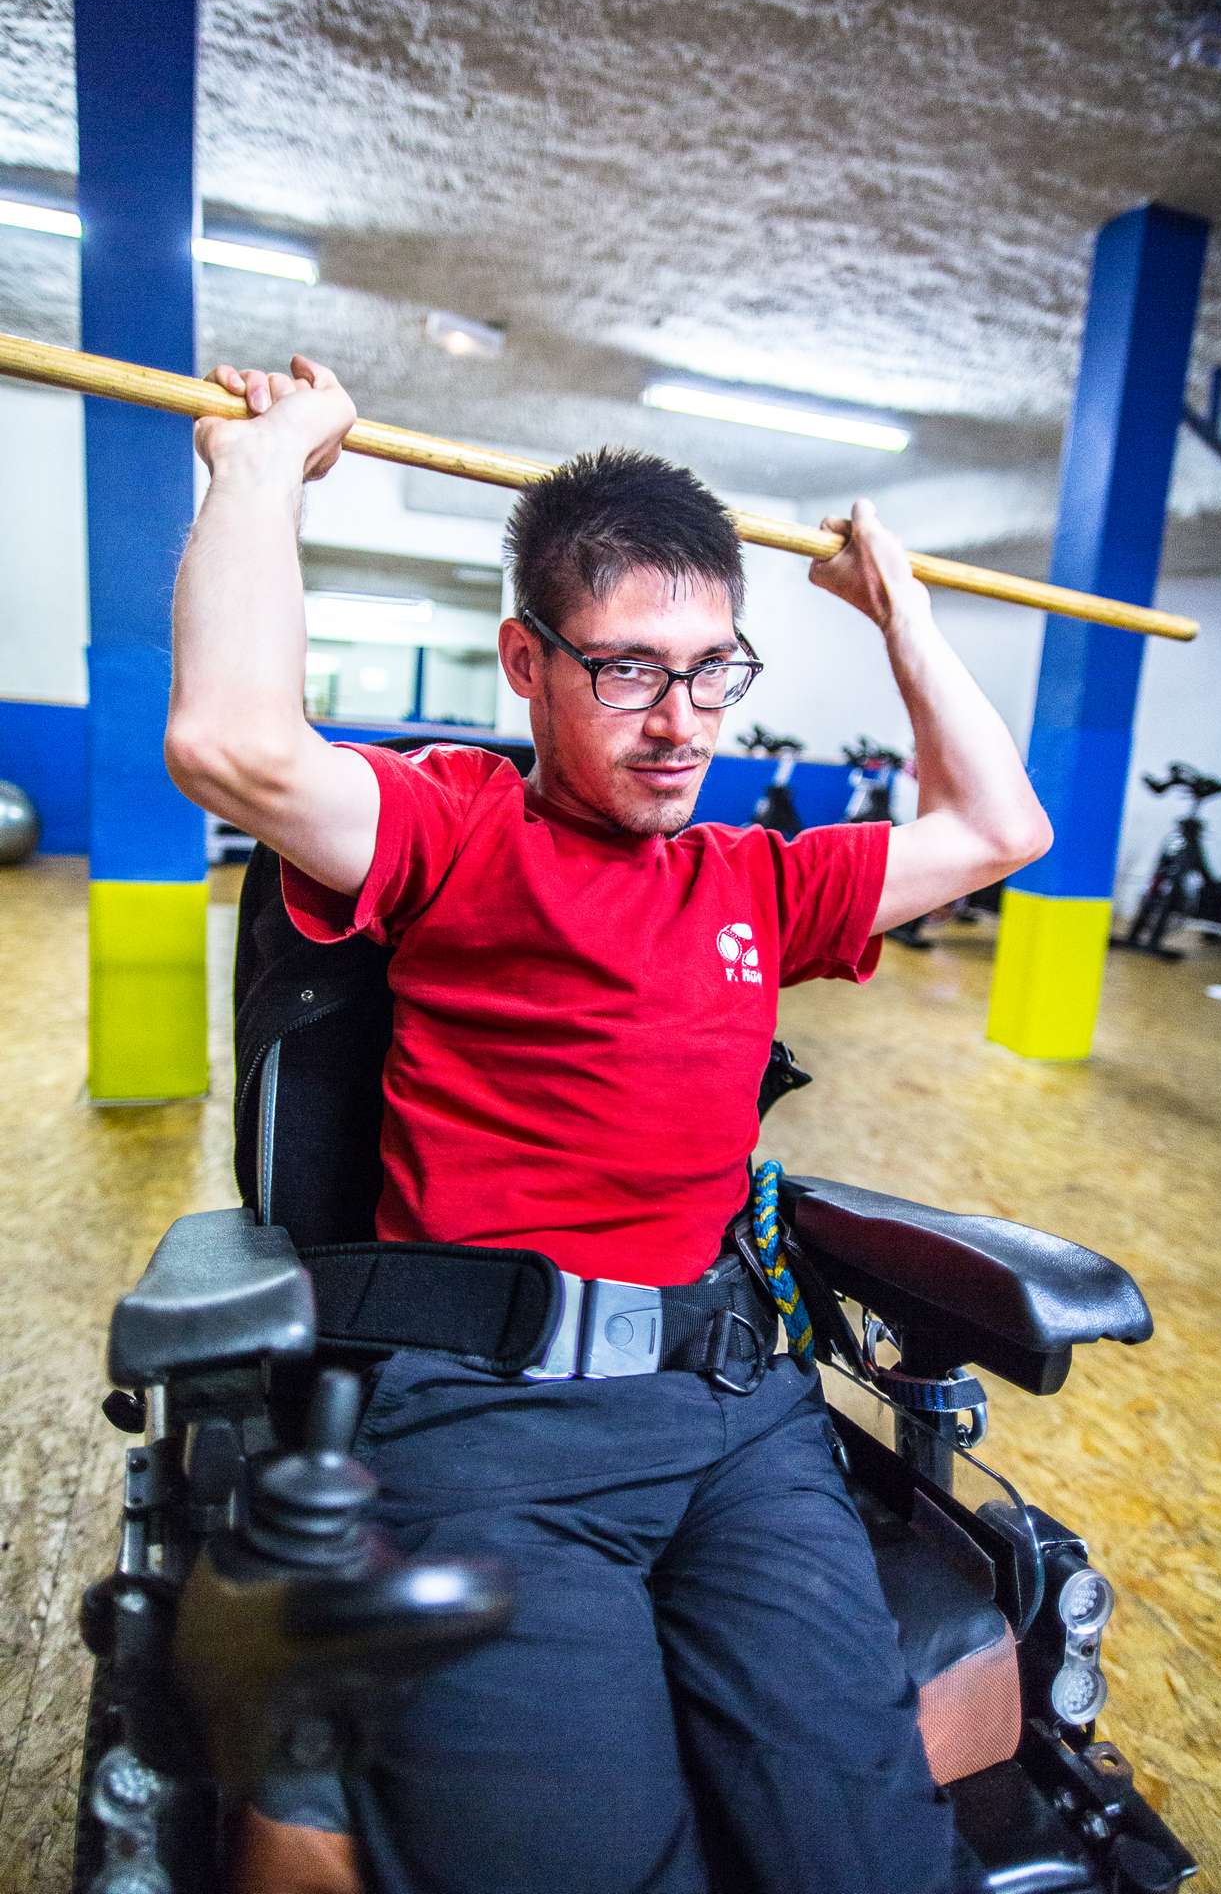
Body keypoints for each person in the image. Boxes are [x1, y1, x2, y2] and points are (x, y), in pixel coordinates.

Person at [166, 355, 1052, 1894]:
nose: (680, 722)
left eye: (714, 671)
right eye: (629, 671)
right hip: (494, 1428)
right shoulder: (458, 828)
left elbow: (1001, 828)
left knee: (864, 1865)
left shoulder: (756, 881)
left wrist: (900, 611)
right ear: (527, 660)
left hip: (742, 1422)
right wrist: (261, 472)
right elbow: (230, 744)